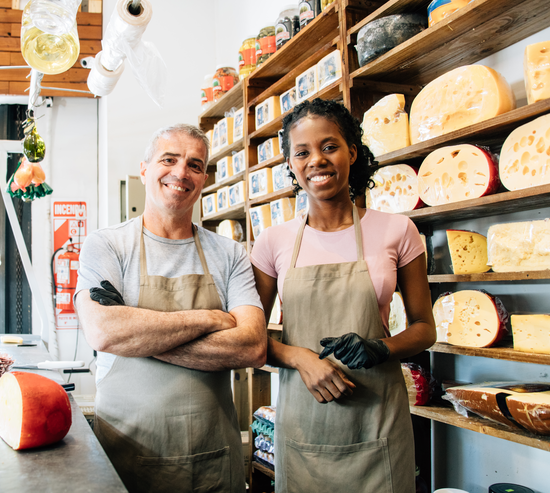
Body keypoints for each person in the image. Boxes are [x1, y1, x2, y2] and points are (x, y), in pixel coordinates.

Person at [250, 98, 436, 493]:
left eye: (329, 146)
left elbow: (425, 328)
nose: (316, 160)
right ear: (291, 164)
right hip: (305, 425)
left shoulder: (397, 231)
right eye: (302, 152)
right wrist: (300, 358)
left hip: (379, 423)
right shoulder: (273, 241)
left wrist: (381, 348)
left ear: (352, 151)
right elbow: (249, 338)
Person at [75, 123, 267, 493]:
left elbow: (251, 346)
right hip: (129, 454)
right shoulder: (107, 246)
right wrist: (209, 318)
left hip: (214, 457)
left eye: (195, 165)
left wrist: (139, 336)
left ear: (204, 178)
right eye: (169, 159)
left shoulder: (229, 254)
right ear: (145, 169)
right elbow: (104, 332)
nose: (181, 172)